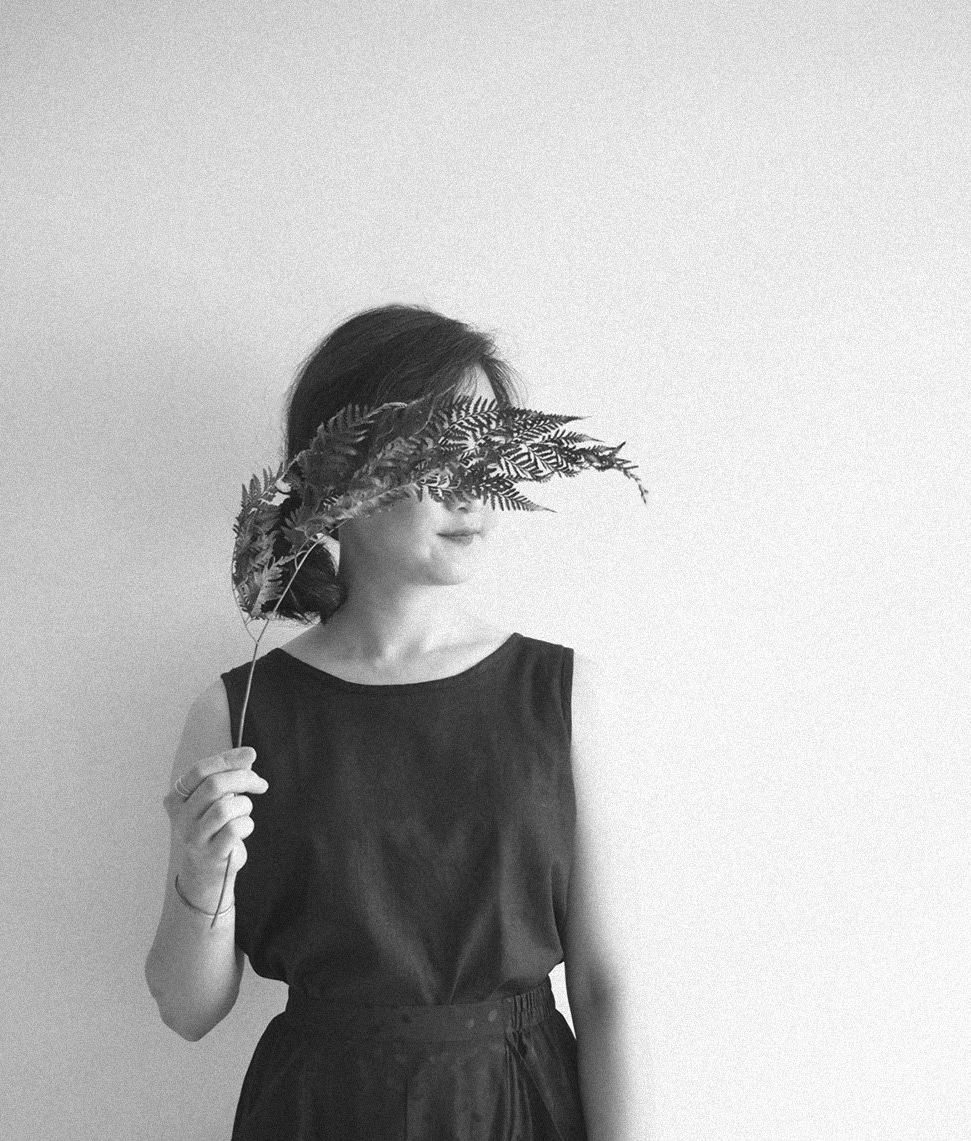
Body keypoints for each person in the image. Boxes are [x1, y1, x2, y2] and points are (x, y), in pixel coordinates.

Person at [145, 305, 627, 1139]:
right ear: (342, 477)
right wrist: (201, 867)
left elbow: (606, 986)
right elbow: (188, 1008)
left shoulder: (560, 695)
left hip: (518, 1109)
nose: (472, 488)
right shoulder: (239, 710)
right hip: (319, 1112)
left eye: (489, 453)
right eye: (439, 453)